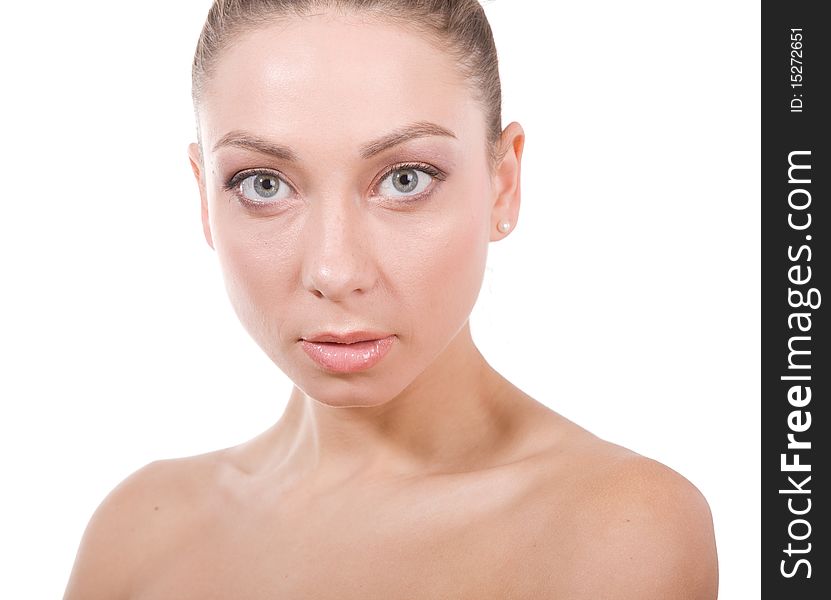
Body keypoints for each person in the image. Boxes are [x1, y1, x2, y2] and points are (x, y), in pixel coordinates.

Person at [63, 1, 719, 597]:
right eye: (263, 184)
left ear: (502, 184)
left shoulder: (614, 527)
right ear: (204, 197)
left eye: (405, 179)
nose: (334, 269)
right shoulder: (136, 534)